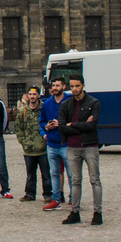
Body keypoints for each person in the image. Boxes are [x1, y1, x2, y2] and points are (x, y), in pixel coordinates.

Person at [59, 75, 102, 225]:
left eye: (77, 86)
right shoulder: (66, 105)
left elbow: (92, 126)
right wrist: (80, 125)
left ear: (83, 85)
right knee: (75, 180)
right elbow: (62, 127)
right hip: (72, 147)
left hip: (90, 146)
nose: (75, 89)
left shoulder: (93, 102)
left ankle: (97, 212)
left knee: (95, 180)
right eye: (72, 86)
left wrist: (73, 125)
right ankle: (75, 211)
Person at [40, 76, 73, 210]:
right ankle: (56, 199)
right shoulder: (47, 104)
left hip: (66, 143)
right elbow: (41, 121)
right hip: (52, 144)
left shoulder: (70, 101)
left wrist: (62, 124)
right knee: (54, 173)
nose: (54, 88)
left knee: (71, 173)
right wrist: (46, 128)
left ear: (64, 87)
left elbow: (75, 120)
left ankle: (73, 198)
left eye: (57, 85)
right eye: (53, 86)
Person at [14, 88, 50, 202]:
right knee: (30, 174)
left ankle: (48, 194)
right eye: (30, 94)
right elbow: (18, 128)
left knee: (46, 174)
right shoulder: (23, 111)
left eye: (34, 94)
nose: (32, 96)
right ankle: (30, 193)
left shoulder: (44, 109)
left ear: (39, 95)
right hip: (28, 148)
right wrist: (23, 142)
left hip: (43, 148)